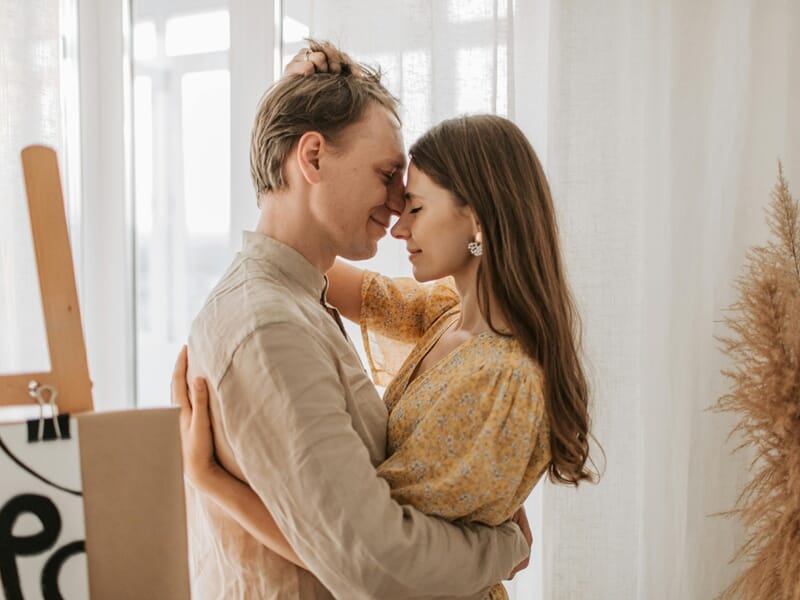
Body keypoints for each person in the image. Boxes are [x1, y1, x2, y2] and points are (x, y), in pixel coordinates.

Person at [177, 40, 532, 600]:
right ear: (313, 157)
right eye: (388, 173)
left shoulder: (298, 297)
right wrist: (503, 547)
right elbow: (373, 563)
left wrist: (293, 104)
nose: (397, 206)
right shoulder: (271, 327)